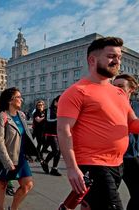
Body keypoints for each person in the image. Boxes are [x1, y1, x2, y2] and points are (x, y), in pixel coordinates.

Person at [57, 37, 139, 210]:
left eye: (119, 57)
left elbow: (132, 123)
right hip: (93, 164)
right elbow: (64, 131)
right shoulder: (76, 92)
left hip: (118, 164)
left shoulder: (119, 92)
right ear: (92, 60)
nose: (117, 61)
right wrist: (72, 168)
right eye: (111, 56)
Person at [0, 87, 39, 210]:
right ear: (10, 100)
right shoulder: (2, 117)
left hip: (21, 157)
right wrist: (7, 161)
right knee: (3, 184)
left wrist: (32, 153)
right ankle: (1, 209)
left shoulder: (21, 115)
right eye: (18, 97)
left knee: (27, 185)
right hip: (6, 157)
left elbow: (26, 137)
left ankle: (13, 208)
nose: (21, 100)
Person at [112, 74, 139, 210]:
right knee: (104, 198)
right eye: (114, 86)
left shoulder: (137, 107)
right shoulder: (105, 106)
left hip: (131, 157)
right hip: (110, 159)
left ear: (131, 89)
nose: (116, 89)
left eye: (120, 86)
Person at [40, 96, 62, 176]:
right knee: (56, 150)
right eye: (60, 101)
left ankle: (54, 168)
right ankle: (45, 162)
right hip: (50, 133)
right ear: (55, 101)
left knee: (59, 152)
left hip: (59, 133)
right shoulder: (48, 110)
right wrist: (59, 117)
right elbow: (49, 119)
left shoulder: (61, 110)